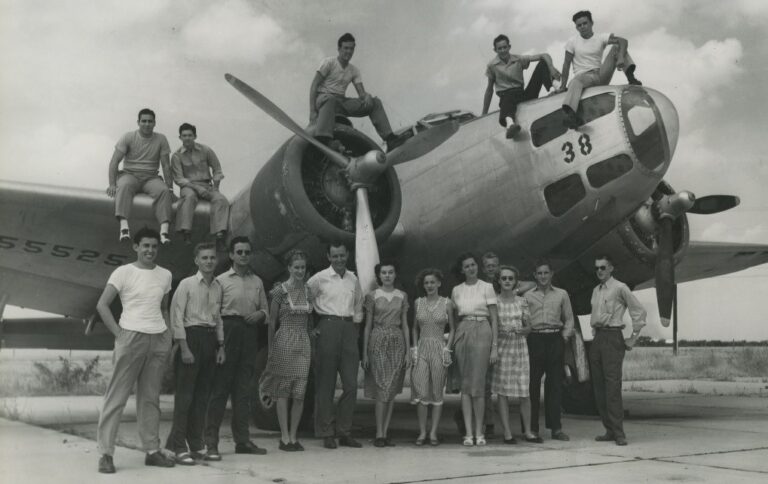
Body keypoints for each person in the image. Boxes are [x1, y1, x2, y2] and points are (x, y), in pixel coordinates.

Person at [95, 227, 174, 474]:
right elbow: (102, 305)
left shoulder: (165, 275)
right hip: (131, 337)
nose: (150, 250)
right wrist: (120, 335)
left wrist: (168, 334)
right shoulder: (123, 272)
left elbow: (163, 308)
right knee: (116, 397)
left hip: (157, 339)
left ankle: (152, 451)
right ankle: (105, 454)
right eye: (146, 246)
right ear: (136, 247)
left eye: (154, 246)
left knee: (150, 399)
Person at [204, 236, 269, 459]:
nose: (243, 256)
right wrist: (219, 345)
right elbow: (213, 314)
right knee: (220, 390)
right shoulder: (220, 281)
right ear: (231, 255)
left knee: (243, 390)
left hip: (249, 333)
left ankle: (242, 440)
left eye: (247, 252)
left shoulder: (258, 282)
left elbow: (266, 311)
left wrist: (259, 314)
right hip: (227, 331)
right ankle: (211, 442)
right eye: (239, 252)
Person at [165, 243, 226, 464]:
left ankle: (196, 444)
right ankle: (179, 446)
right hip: (191, 338)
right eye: (205, 258)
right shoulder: (186, 285)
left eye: (212, 257)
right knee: (185, 398)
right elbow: (176, 317)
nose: (209, 261)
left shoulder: (218, 286)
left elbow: (218, 318)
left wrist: (221, 346)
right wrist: (184, 347)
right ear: (196, 261)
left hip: (211, 340)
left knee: (202, 397)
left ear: (216, 260)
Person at [307, 241, 364, 449]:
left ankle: (344, 431)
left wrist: (355, 331)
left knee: (350, 384)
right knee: (325, 384)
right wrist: (311, 328)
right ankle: (326, 431)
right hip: (327, 326)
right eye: (335, 256)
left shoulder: (353, 278)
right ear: (328, 257)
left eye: (342, 255)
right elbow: (304, 302)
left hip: (348, 328)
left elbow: (358, 305)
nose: (339, 259)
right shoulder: (318, 279)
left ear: (347, 255)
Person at [309, 33, 406, 153]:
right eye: (345, 48)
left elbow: (361, 93)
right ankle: (324, 139)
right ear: (339, 49)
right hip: (324, 99)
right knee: (330, 99)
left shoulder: (354, 70)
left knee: (374, 102)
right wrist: (312, 111)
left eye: (351, 48)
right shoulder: (328, 62)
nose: (348, 51)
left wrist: (367, 96)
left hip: (341, 102)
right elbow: (314, 86)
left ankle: (390, 139)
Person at [260, 249, 314, 452]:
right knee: (283, 390)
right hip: (284, 340)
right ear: (289, 268)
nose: (300, 271)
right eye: (296, 267)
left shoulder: (309, 291)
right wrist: (271, 349)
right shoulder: (279, 291)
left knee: (299, 392)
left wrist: (312, 335)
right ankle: (284, 437)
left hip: (303, 342)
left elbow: (310, 321)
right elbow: (272, 322)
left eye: (303, 267)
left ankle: (294, 435)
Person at [590, 255, 646, 446]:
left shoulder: (620, 288)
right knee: (598, 388)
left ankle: (619, 432)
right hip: (598, 338)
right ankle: (609, 430)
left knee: (612, 387)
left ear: (611, 268)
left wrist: (633, 337)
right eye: (597, 268)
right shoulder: (596, 290)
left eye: (603, 267)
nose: (599, 271)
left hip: (613, 337)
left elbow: (638, 311)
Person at [558, 10, 642, 129]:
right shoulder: (572, 42)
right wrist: (562, 86)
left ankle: (631, 77)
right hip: (583, 78)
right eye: (579, 25)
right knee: (576, 81)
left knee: (617, 46)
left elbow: (623, 41)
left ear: (592, 23)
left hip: (599, 75)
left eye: (585, 23)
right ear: (576, 28)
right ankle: (571, 115)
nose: (582, 27)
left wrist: (621, 57)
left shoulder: (600, 37)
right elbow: (566, 64)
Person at [451, 252, 499, 446]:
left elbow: (494, 318)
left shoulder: (487, 287)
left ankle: (480, 432)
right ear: (462, 270)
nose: (471, 268)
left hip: (482, 329)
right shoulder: (456, 290)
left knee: (478, 385)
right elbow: (454, 319)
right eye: (467, 266)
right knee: (465, 385)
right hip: (463, 330)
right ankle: (468, 433)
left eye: (473, 265)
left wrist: (494, 346)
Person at [523, 259, 575, 441]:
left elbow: (569, 318)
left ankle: (556, 428)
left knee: (554, 385)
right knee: (532, 386)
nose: (543, 276)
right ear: (535, 276)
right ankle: (532, 428)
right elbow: (523, 320)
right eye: (539, 273)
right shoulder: (527, 296)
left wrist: (564, 337)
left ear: (552, 274)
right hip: (535, 339)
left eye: (546, 273)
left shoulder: (562, 294)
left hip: (555, 338)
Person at [362, 260, 411, 447]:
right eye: (384, 273)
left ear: (395, 274)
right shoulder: (372, 296)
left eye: (391, 272)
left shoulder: (402, 296)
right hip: (378, 339)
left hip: (397, 340)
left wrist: (407, 351)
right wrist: (365, 352)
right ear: (379, 276)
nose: (388, 275)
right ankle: (379, 433)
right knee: (382, 387)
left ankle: (385, 431)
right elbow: (367, 326)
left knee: (391, 390)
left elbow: (405, 324)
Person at [106, 108, 173, 244]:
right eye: (144, 121)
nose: (147, 124)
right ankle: (124, 228)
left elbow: (166, 165)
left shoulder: (161, 139)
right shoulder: (128, 137)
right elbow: (114, 161)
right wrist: (112, 184)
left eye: (150, 121)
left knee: (164, 191)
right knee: (123, 186)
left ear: (154, 123)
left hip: (151, 177)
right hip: (130, 174)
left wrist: (170, 187)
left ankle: (164, 232)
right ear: (138, 122)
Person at [491, 266, 542, 444]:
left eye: (510, 278)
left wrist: (523, 330)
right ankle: (507, 433)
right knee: (503, 393)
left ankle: (528, 431)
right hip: (503, 349)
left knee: (524, 391)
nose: (507, 281)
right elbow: (492, 327)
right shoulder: (494, 302)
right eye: (504, 278)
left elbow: (529, 326)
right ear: (499, 281)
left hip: (520, 348)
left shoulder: (522, 302)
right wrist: (500, 334)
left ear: (515, 282)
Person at [482, 34, 561, 139]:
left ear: (509, 47)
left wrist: (551, 68)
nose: (503, 50)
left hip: (522, 94)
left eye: (505, 47)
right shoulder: (492, 66)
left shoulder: (518, 59)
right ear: (495, 50)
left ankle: (555, 88)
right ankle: (510, 125)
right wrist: (484, 113)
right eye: (499, 48)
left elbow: (544, 55)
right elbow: (489, 90)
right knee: (507, 97)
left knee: (543, 63)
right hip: (507, 97)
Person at [410, 269, 455, 446]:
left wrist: (447, 349)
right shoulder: (418, 303)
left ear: (439, 284)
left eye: (432, 282)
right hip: (422, 348)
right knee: (421, 390)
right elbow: (414, 327)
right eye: (426, 283)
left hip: (438, 347)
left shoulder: (447, 303)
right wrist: (414, 348)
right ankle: (422, 432)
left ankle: (434, 433)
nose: (429, 285)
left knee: (436, 390)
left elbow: (452, 328)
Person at [171, 123, 229, 248]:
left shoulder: (206, 150)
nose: (187, 138)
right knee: (189, 197)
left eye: (190, 135)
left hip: (206, 184)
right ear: (180, 137)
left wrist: (216, 188)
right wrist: (197, 188)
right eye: (184, 135)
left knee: (221, 200)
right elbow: (179, 179)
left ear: (195, 136)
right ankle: (186, 231)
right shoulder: (176, 156)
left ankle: (219, 234)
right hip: (188, 186)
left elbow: (217, 169)